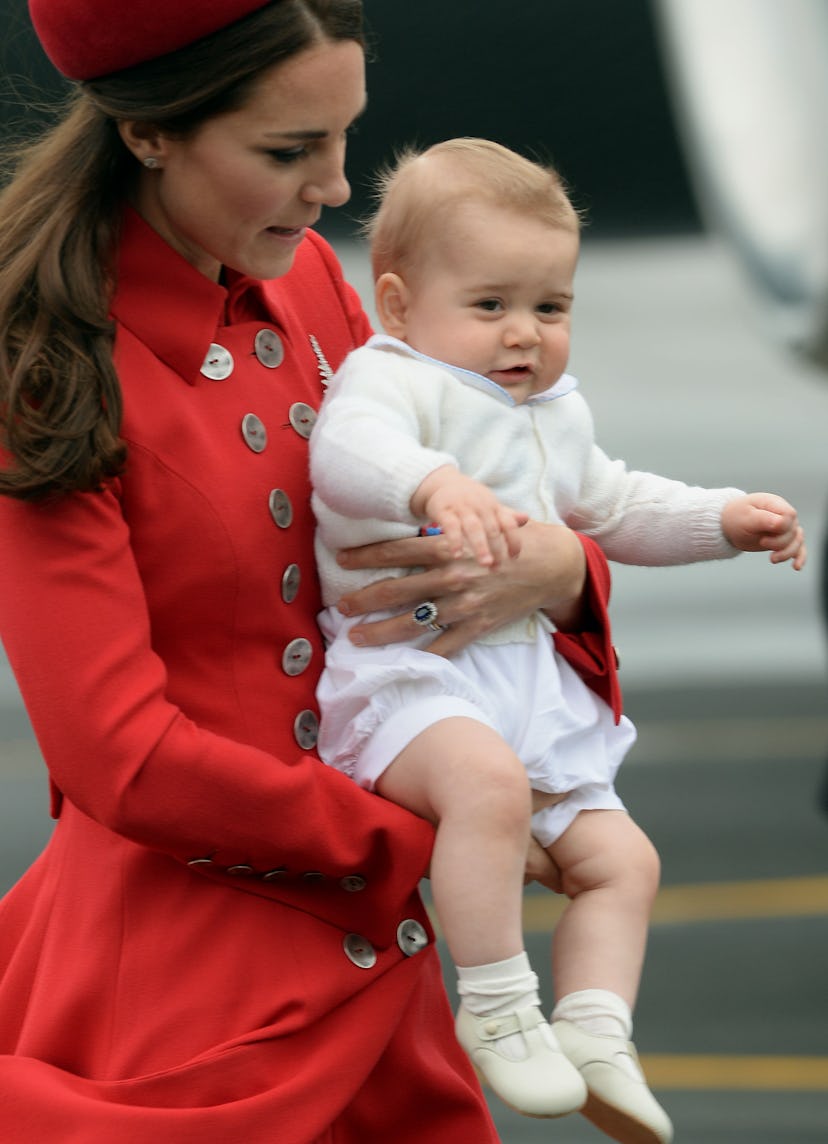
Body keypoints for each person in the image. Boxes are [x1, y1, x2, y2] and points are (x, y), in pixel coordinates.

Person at [0, 5, 625, 1142]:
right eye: (288, 152)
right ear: (149, 135)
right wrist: (425, 834)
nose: (336, 188)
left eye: (346, 138)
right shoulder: (52, 369)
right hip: (192, 992)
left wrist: (560, 572)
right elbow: (119, 757)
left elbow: (508, 503)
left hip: (380, 971)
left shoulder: (321, 293)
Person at [310, 138, 807, 1142]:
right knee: (486, 790)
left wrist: (723, 520)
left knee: (623, 858)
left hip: (522, 687)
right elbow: (344, 453)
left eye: (551, 306)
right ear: (400, 304)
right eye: (490, 305)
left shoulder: (550, 410)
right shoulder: (391, 378)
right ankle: (497, 1007)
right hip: (410, 680)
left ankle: (596, 1034)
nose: (523, 334)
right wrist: (433, 484)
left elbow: (614, 503)